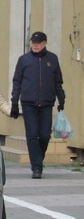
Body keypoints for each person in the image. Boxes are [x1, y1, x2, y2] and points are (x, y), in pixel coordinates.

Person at [11, 31, 66, 179]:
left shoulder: (52, 59)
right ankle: (37, 167)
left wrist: (61, 100)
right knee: (32, 135)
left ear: (45, 43)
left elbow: (58, 82)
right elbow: (17, 81)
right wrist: (14, 103)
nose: (35, 45)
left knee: (44, 135)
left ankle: (37, 158)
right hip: (28, 103)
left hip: (47, 103)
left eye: (38, 43)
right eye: (33, 43)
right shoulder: (24, 60)